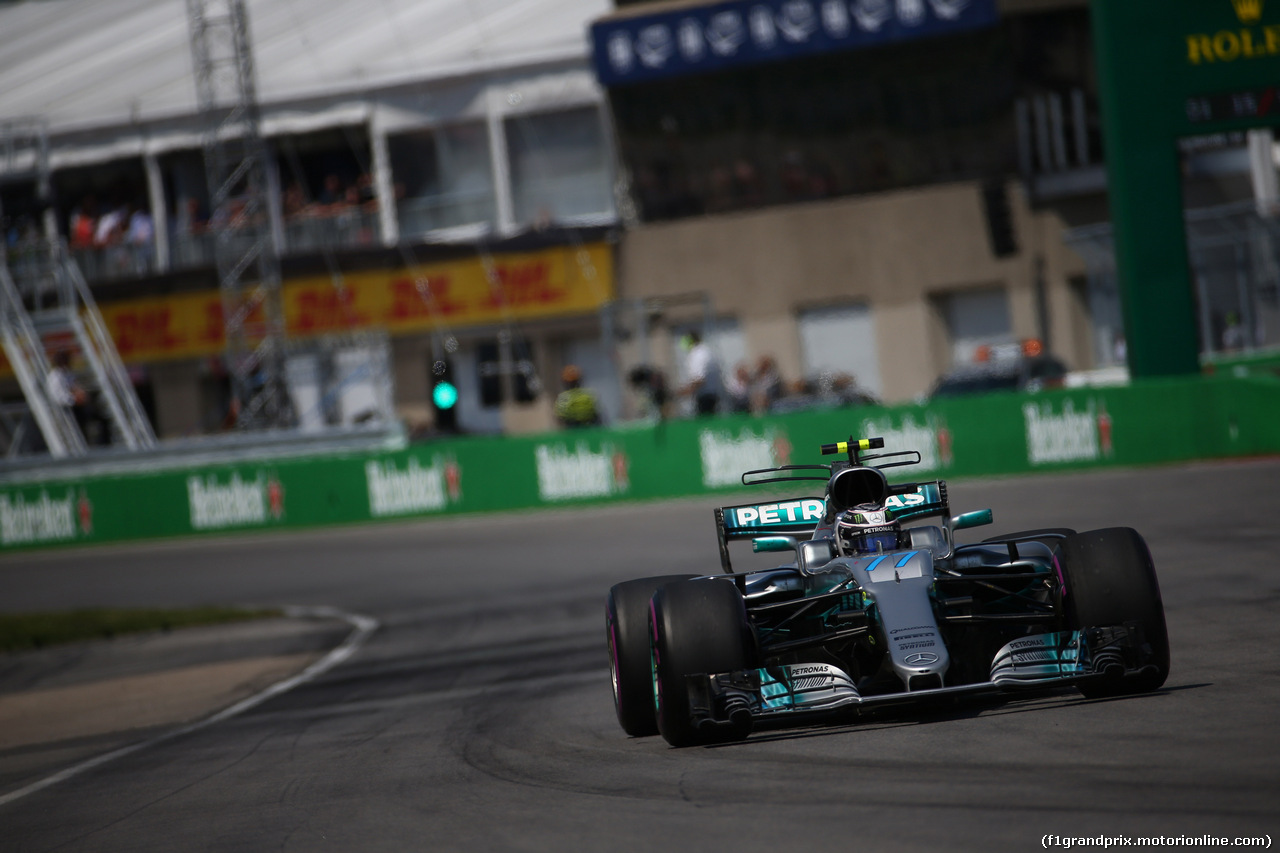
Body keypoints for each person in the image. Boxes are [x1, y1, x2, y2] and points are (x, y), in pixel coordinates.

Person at [681, 330, 723, 416]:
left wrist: (683, 392)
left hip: (705, 397)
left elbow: (699, 379)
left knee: (705, 425)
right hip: (713, 394)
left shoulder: (698, 354)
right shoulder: (707, 351)